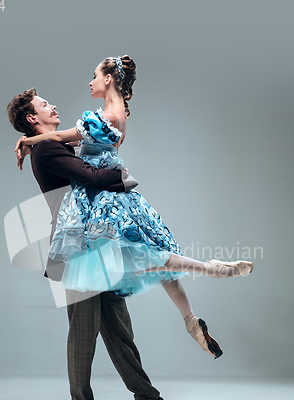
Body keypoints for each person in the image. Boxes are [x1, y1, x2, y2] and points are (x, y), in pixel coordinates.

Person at [15, 55, 253, 364]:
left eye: (95, 76)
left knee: (133, 261)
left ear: (109, 79)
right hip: (121, 192)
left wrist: (28, 139)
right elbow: (68, 147)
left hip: (105, 196)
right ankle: (191, 321)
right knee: (152, 253)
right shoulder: (117, 115)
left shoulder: (101, 118)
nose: (90, 82)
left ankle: (208, 269)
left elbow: (61, 139)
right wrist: (33, 140)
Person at [7, 86, 183, 400]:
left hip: (96, 246)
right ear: (32, 118)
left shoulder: (56, 144)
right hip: (74, 251)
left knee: (119, 328)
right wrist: (123, 176)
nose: (53, 105)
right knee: (84, 330)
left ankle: (146, 396)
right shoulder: (45, 150)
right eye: (45, 104)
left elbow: (97, 149)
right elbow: (91, 176)